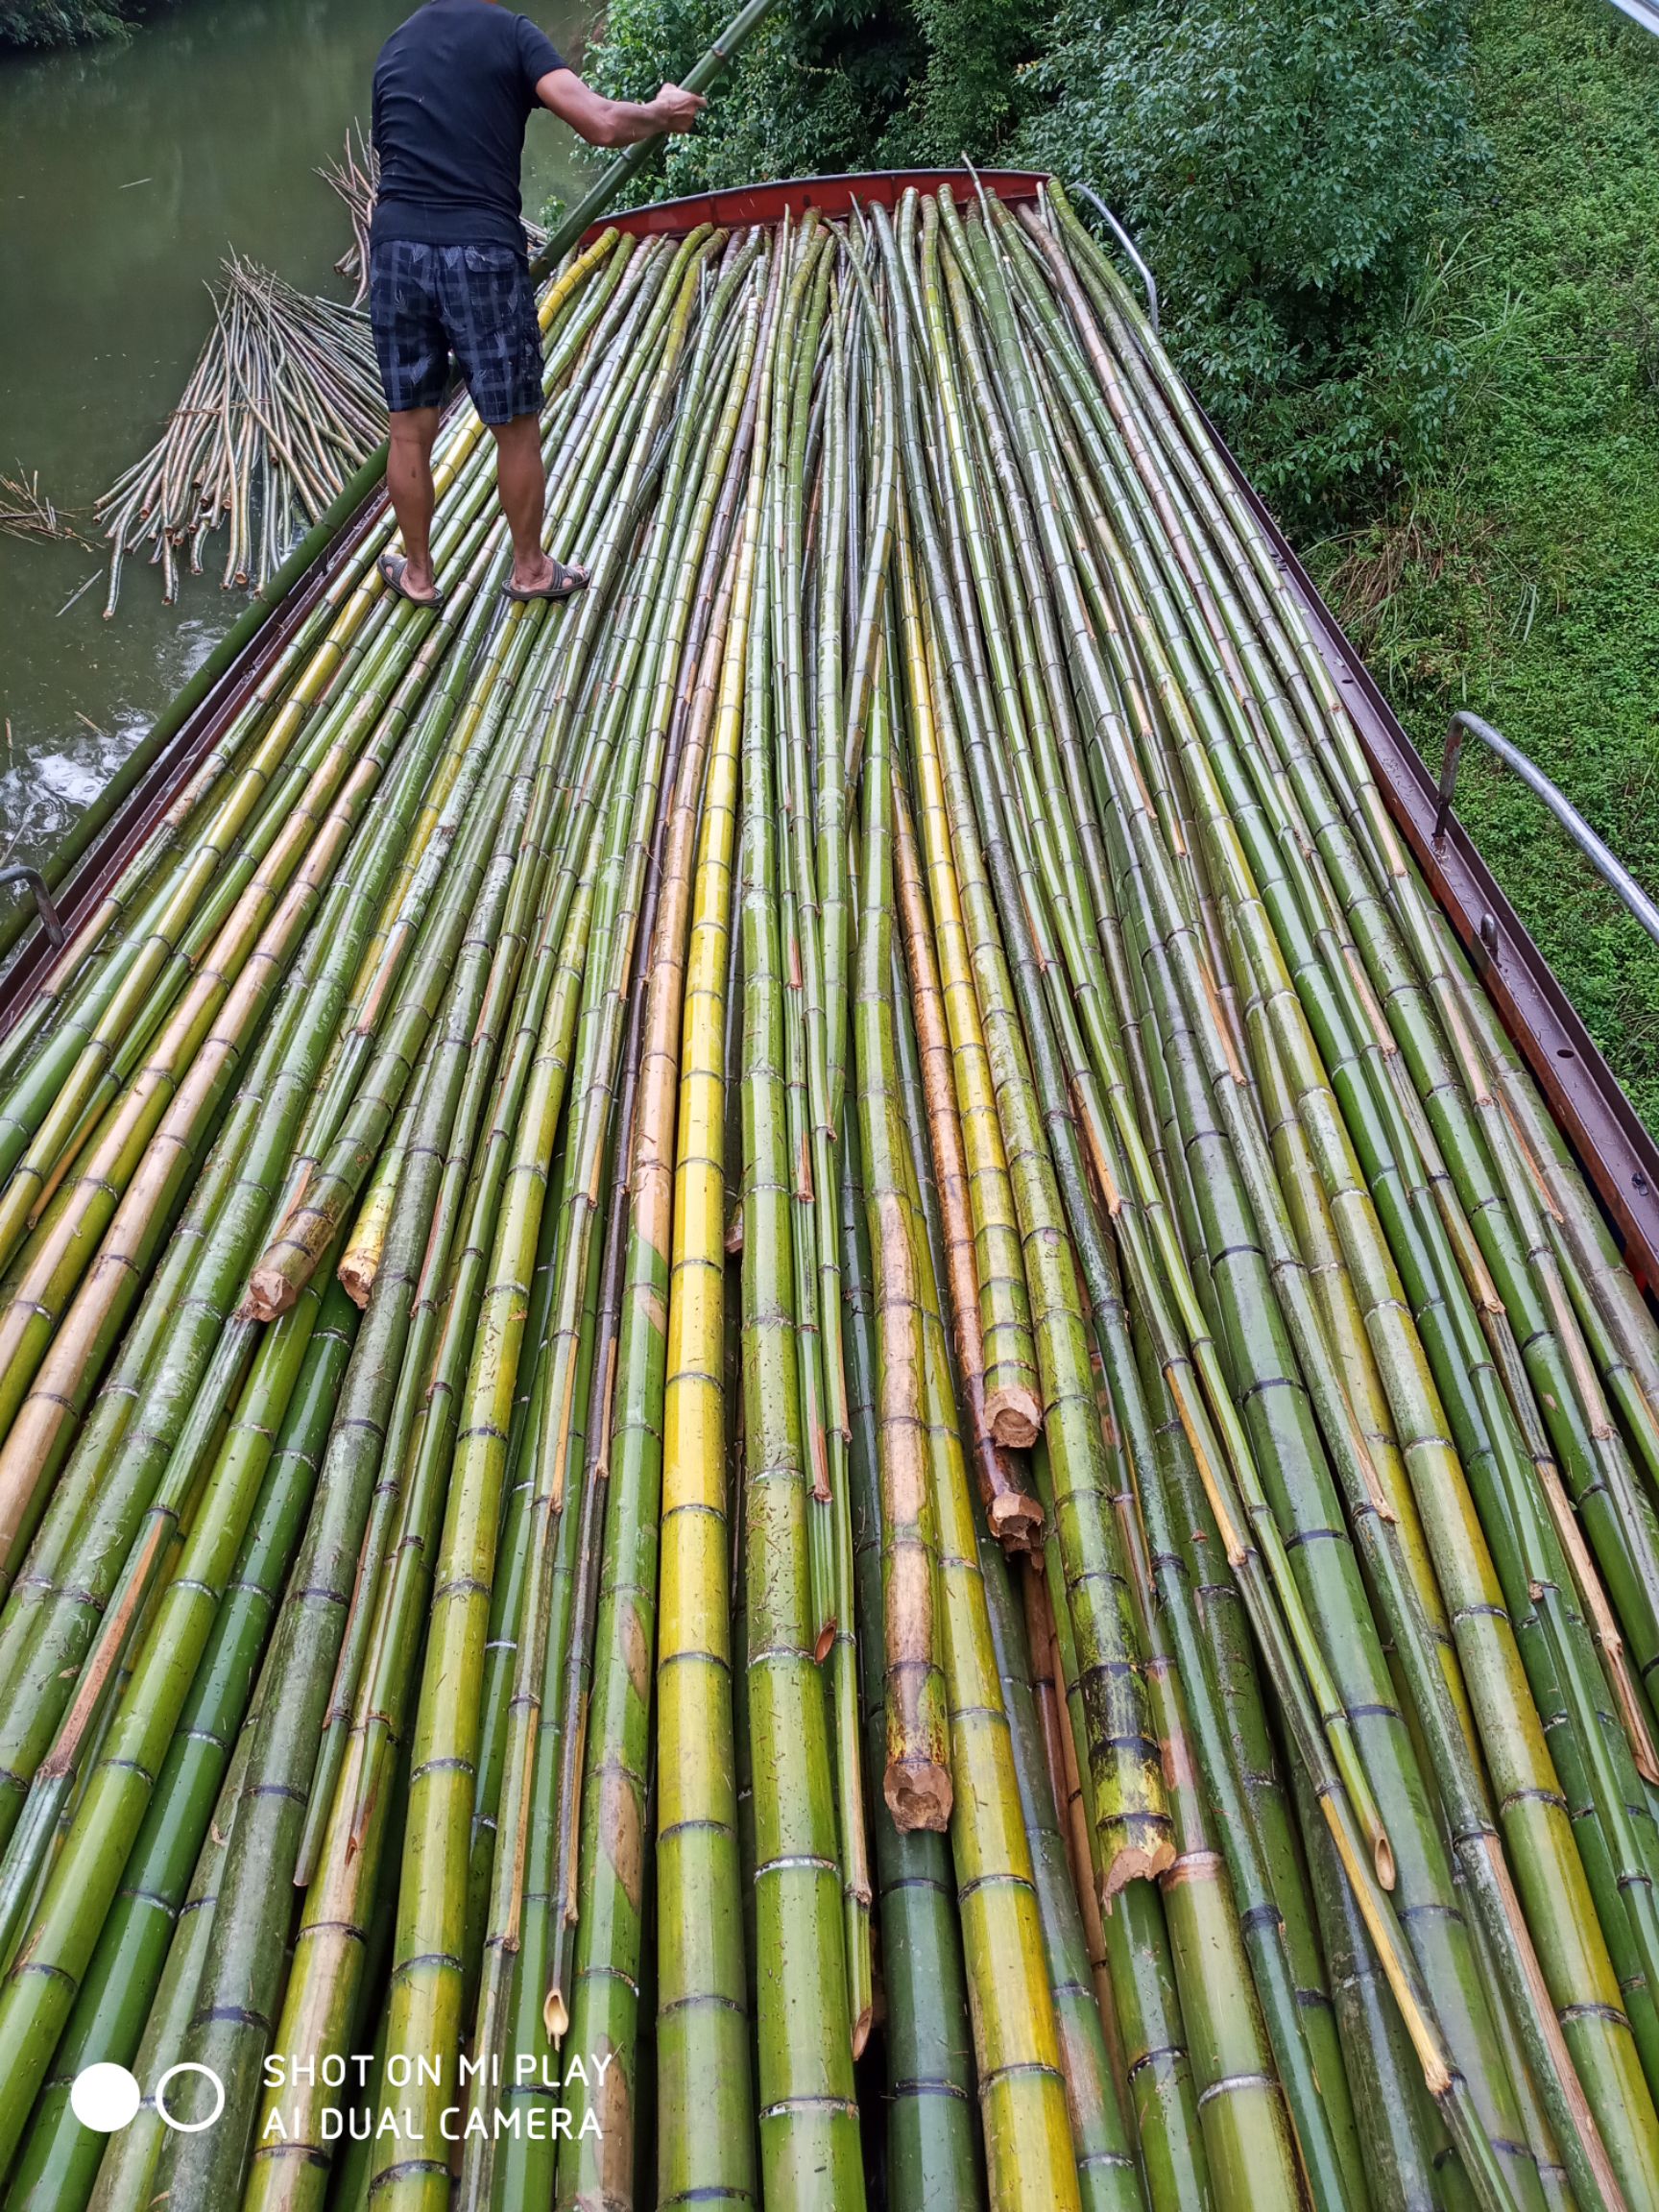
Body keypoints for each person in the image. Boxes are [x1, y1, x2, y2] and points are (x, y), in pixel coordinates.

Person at [368, 0, 706, 608]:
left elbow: (395, 153)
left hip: (396, 250)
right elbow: (600, 122)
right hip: (479, 251)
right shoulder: (511, 33)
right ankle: (529, 570)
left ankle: (417, 576)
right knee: (515, 428)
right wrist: (661, 114)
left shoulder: (396, 47)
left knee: (409, 430)